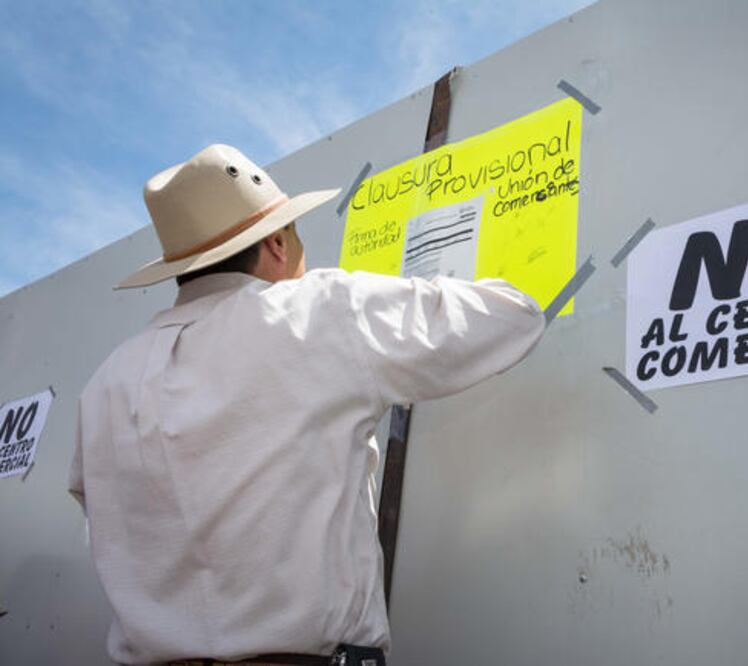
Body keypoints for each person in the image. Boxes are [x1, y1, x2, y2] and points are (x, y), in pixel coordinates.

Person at [68, 144, 545, 665]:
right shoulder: (319, 310)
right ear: (276, 243)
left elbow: (102, 510)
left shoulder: (104, 385)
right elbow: (514, 316)